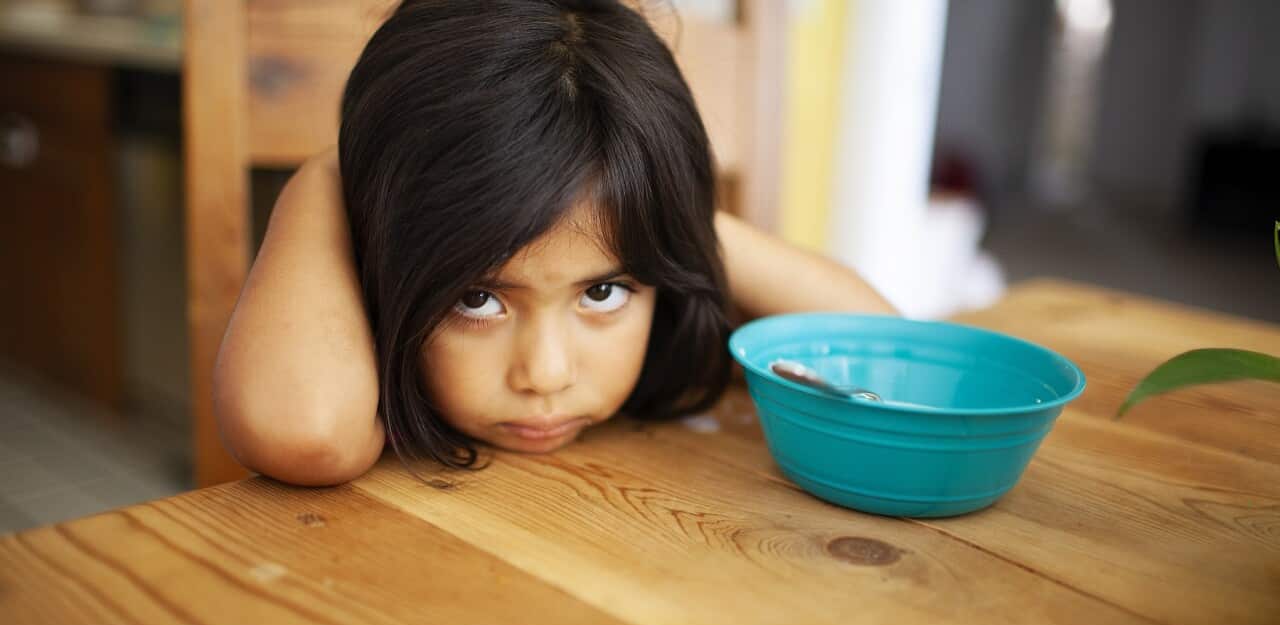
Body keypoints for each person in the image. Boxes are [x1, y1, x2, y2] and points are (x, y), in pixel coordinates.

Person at [213, 0, 895, 487]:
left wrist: (671, 215)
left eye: (603, 292)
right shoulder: (340, 361)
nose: (545, 375)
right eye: (476, 299)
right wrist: (331, 172)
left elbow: (884, 354)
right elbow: (303, 435)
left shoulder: (673, 317)